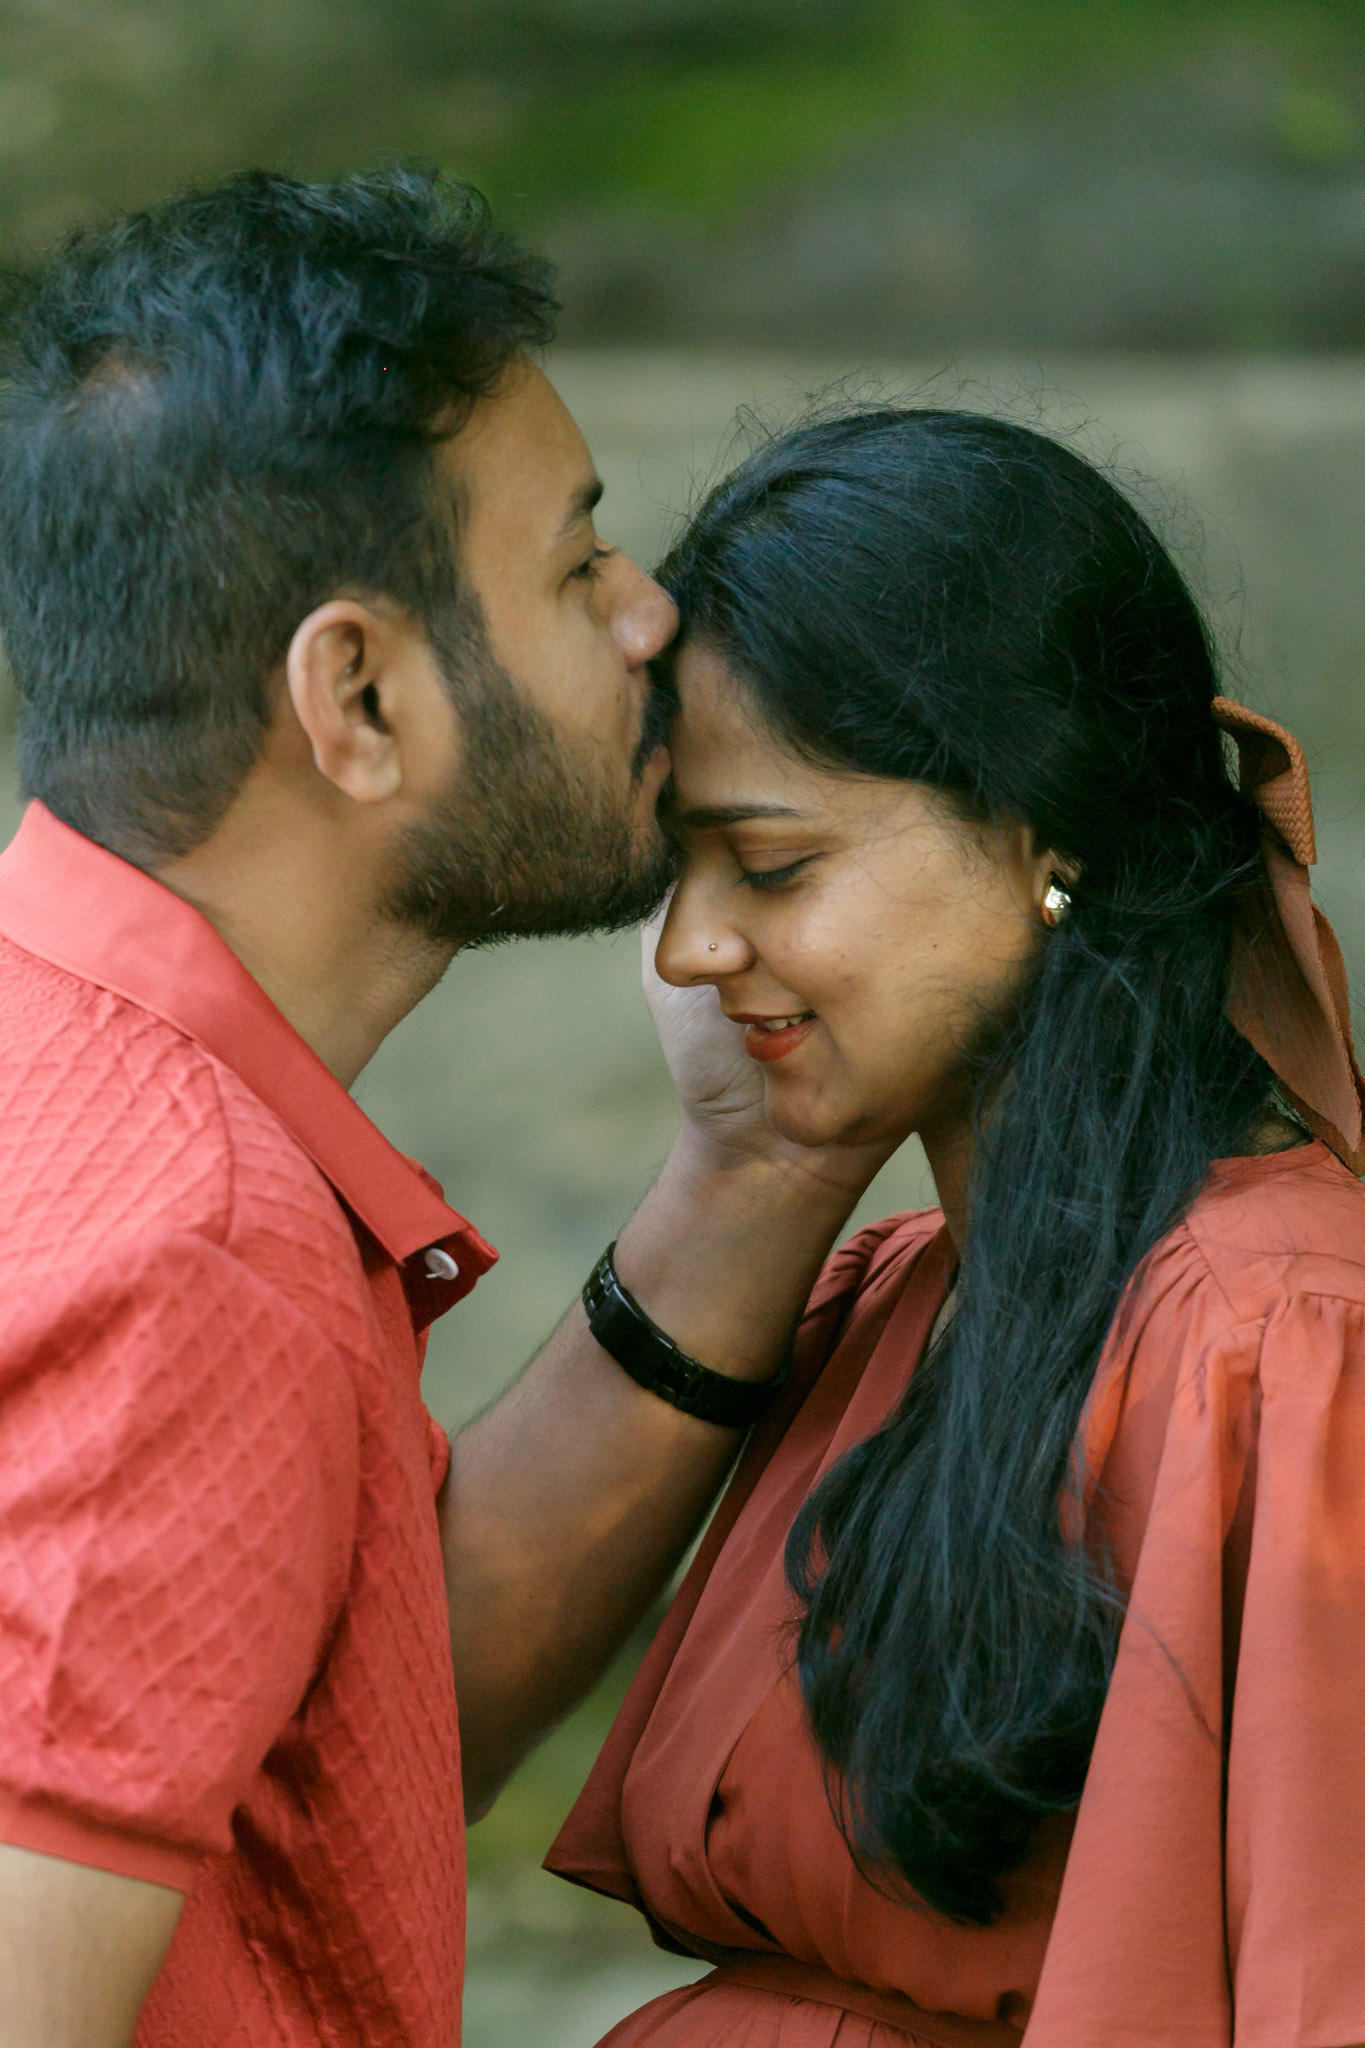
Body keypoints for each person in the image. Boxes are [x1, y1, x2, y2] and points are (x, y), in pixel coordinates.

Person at [0, 170, 894, 2047]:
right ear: (358, 697)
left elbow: (334, 1723)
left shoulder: (60, 1055)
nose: (649, 617)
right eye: (575, 567)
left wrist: (759, 1164)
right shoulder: (189, 1259)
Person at [546, 407, 1365, 2048]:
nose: (690, 948)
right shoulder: (894, 1303)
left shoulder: (1281, 1343)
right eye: (675, 875)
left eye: (768, 863)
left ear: (1043, 840)